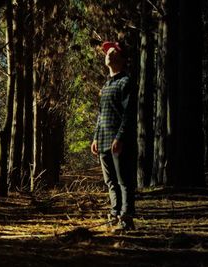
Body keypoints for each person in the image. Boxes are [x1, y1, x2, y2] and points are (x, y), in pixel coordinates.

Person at [91, 41, 136, 231]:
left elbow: (128, 114)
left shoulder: (126, 81)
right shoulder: (107, 84)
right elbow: (101, 114)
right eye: (107, 52)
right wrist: (95, 137)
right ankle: (114, 213)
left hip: (119, 142)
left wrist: (120, 138)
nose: (108, 54)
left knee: (123, 181)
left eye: (113, 52)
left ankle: (126, 218)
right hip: (103, 141)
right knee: (110, 182)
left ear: (123, 59)